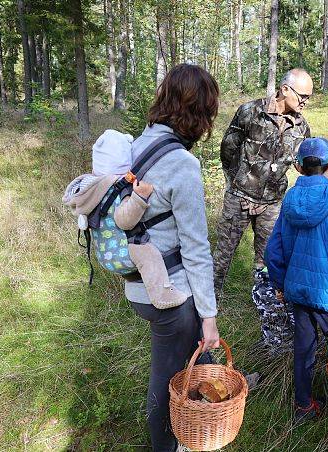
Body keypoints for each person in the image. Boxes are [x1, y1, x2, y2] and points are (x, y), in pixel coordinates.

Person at [214, 68, 328, 353]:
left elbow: (307, 167)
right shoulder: (250, 112)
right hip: (238, 197)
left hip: (273, 203)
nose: (305, 103)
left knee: (267, 263)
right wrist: (236, 181)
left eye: (309, 98)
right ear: (285, 89)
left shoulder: (302, 127)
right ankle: (209, 310)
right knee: (222, 256)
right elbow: (229, 147)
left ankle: (267, 314)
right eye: (303, 96)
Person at [126, 64, 221, 451]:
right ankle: (167, 445)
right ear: (199, 113)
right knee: (166, 379)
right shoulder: (182, 163)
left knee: (183, 364)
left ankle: (196, 422)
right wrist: (210, 317)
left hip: (137, 287)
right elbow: (196, 249)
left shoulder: (137, 145)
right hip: (169, 295)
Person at [265, 137, 328, 452]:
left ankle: (303, 406)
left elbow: (274, 250)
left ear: (298, 166)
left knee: (304, 351)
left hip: (299, 293)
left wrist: (281, 284)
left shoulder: (290, 199)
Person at [63, 130, 189, 309]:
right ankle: (162, 296)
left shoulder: (90, 187)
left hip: (105, 255)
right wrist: (139, 198)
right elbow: (124, 221)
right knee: (150, 255)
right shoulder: (119, 188)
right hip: (125, 253)